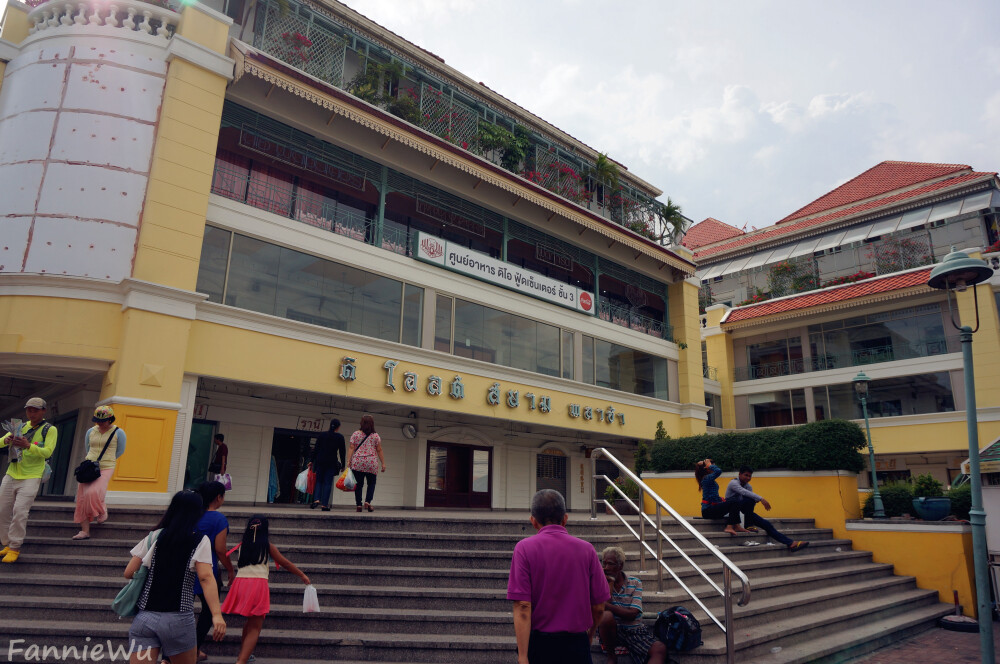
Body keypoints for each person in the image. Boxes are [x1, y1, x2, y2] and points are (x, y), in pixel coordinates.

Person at [507, 489, 609, 664]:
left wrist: (523, 656)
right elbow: (599, 607)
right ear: (565, 519)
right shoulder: (587, 549)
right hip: (577, 643)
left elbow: (523, 606)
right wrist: (590, 634)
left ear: (533, 521)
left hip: (540, 645)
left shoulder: (524, 549)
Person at [123, 490, 225, 664]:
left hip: (145, 617)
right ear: (197, 512)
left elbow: (128, 572)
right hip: (178, 618)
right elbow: (206, 578)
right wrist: (216, 614)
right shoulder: (200, 541)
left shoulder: (154, 536)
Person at [222, 515, 310, 664]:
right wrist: (302, 575)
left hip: (240, 583)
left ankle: (244, 655)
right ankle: (241, 661)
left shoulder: (242, 545)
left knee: (250, 622)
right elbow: (285, 563)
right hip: (257, 585)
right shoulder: (267, 546)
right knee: (256, 626)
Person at [0, 397, 58, 563]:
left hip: (32, 476)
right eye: (29, 409)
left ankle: (15, 546)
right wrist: (6, 440)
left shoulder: (50, 429)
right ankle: (6, 543)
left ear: (43, 411)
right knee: (2, 510)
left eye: (35, 410)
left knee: (20, 511)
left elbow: (48, 452)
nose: (31, 413)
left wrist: (28, 446)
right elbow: (0, 443)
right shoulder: (19, 427)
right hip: (11, 473)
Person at [597, 546, 667, 664]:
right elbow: (602, 610)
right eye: (604, 563)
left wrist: (607, 606)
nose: (606, 568)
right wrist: (609, 583)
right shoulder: (601, 582)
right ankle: (611, 656)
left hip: (634, 631)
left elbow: (633, 614)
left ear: (620, 566)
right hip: (613, 632)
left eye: (610, 564)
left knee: (660, 648)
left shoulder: (635, 582)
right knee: (605, 616)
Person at [193, 481, 236, 661]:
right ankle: (193, 649)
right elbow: (220, 549)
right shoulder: (219, 519)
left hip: (187, 569)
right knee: (208, 611)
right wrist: (230, 569)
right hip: (207, 571)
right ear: (218, 497)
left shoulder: (192, 515)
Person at [72, 405, 127, 540]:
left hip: (107, 466)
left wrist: (108, 459)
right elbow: (88, 447)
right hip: (89, 466)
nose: (99, 423)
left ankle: (102, 509)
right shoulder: (91, 431)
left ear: (110, 419)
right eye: (97, 420)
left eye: (103, 420)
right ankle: (85, 531)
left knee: (93, 492)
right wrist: (92, 461)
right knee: (82, 498)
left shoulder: (118, 432)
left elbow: (120, 450)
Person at [726, 465, 809, 552]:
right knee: (750, 499)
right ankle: (748, 525)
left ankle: (790, 543)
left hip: (744, 513)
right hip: (731, 510)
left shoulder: (748, 486)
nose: (748, 478)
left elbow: (748, 502)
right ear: (739, 474)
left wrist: (755, 500)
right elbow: (744, 492)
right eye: (746, 475)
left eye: (750, 476)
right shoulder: (733, 483)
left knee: (767, 524)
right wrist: (761, 499)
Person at [695, 458, 750, 535]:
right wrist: (709, 465)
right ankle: (729, 527)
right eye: (712, 465)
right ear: (707, 468)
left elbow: (712, 496)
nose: (714, 466)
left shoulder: (708, 479)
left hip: (712, 508)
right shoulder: (707, 478)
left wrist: (721, 499)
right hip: (708, 511)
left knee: (734, 500)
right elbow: (719, 471)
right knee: (734, 502)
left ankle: (737, 525)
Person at [344, 415, 385, 513]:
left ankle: (359, 504)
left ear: (361, 423)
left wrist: (348, 460)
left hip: (358, 462)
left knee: (358, 485)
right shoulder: (375, 436)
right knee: (371, 483)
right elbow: (379, 450)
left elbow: (351, 447)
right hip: (371, 463)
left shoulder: (356, 434)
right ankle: (367, 501)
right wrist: (383, 463)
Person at [309, 419, 345, 511]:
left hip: (320, 461)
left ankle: (316, 499)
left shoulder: (322, 435)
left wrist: (311, 460)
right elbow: (342, 452)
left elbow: (316, 449)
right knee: (327, 483)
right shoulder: (339, 437)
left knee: (319, 481)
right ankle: (324, 505)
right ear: (338, 427)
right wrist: (343, 464)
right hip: (331, 462)